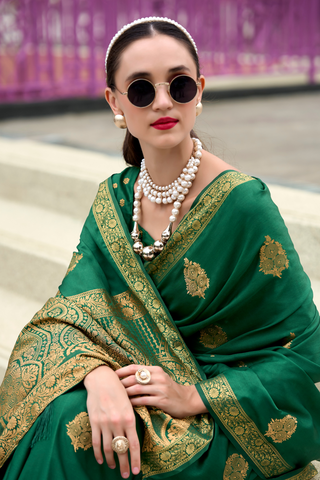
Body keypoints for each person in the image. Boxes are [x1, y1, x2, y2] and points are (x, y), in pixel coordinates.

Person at [0, 16, 320, 480]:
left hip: (227, 416)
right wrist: (99, 377)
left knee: (82, 430)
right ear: (115, 101)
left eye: (180, 84)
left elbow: (303, 353)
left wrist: (195, 396)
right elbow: (66, 318)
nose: (164, 101)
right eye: (141, 90)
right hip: (141, 391)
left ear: (201, 91)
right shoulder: (115, 199)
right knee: (65, 407)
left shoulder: (242, 203)